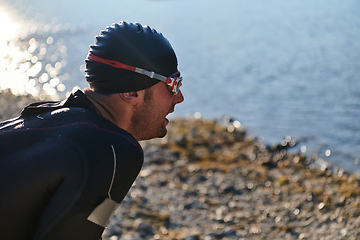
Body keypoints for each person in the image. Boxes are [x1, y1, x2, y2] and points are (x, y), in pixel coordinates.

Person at [0, 21, 184, 240]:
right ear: (132, 92)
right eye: (173, 84)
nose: (179, 98)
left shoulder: (44, 117)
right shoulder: (113, 149)